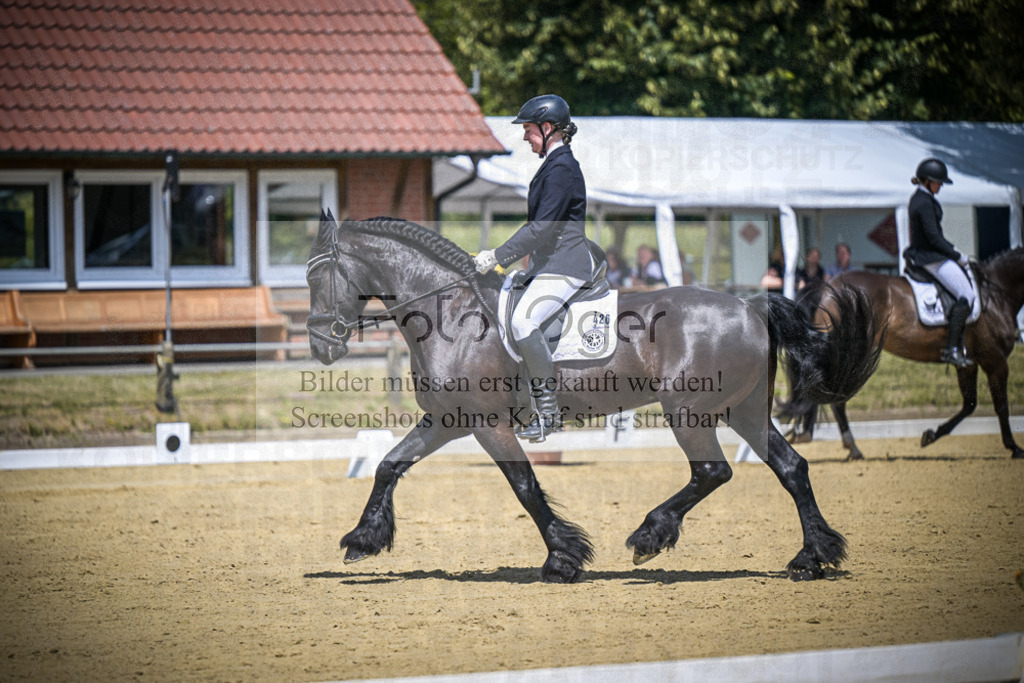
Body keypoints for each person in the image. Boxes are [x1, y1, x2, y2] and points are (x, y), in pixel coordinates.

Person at [473, 94, 604, 440]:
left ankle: (547, 413)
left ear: (548, 129)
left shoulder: (561, 168)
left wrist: (497, 256)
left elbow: (542, 227)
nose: (525, 138)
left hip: (566, 264)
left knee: (522, 319)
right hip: (549, 263)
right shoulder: (554, 165)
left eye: (529, 131)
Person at [903, 158, 974, 368]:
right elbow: (934, 238)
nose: (941, 185)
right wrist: (956, 255)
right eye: (938, 182)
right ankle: (951, 348)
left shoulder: (920, 198)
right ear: (927, 181)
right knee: (967, 295)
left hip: (926, 254)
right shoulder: (924, 202)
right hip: (930, 258)